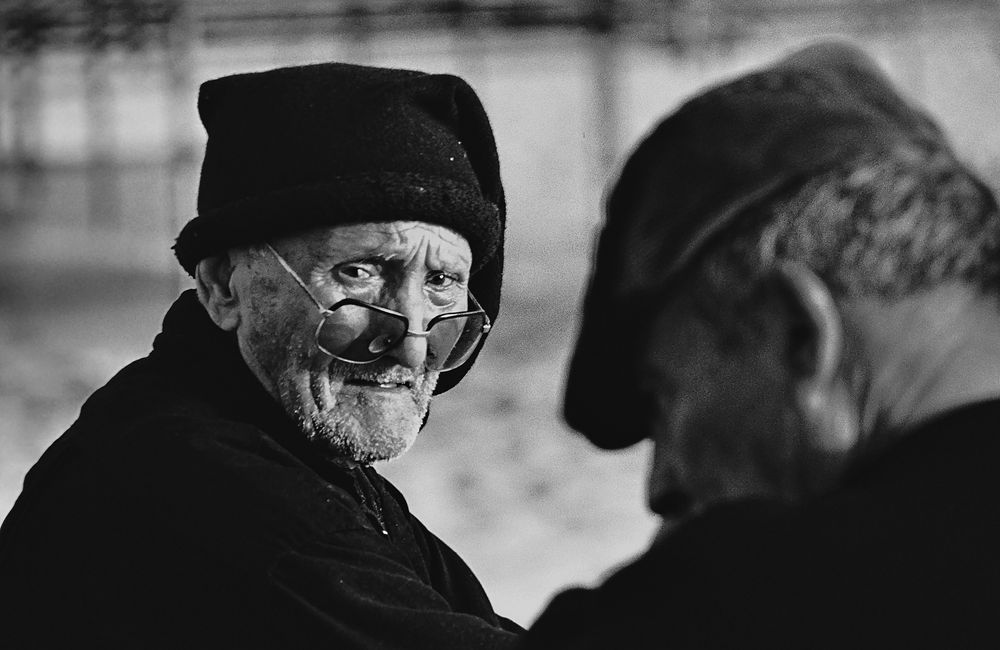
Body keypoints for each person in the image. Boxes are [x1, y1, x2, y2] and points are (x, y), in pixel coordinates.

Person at [0, 62, 521, 648]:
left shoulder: (282, 443)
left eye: (443, 283)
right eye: (360, 272)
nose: (414, 339)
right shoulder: (223, 502)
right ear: (225, 285)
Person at [523, 41, 1000, 649]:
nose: (660, 487)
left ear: (804, 334)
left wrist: (679, 592)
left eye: (665, 397)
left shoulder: (732, 604)